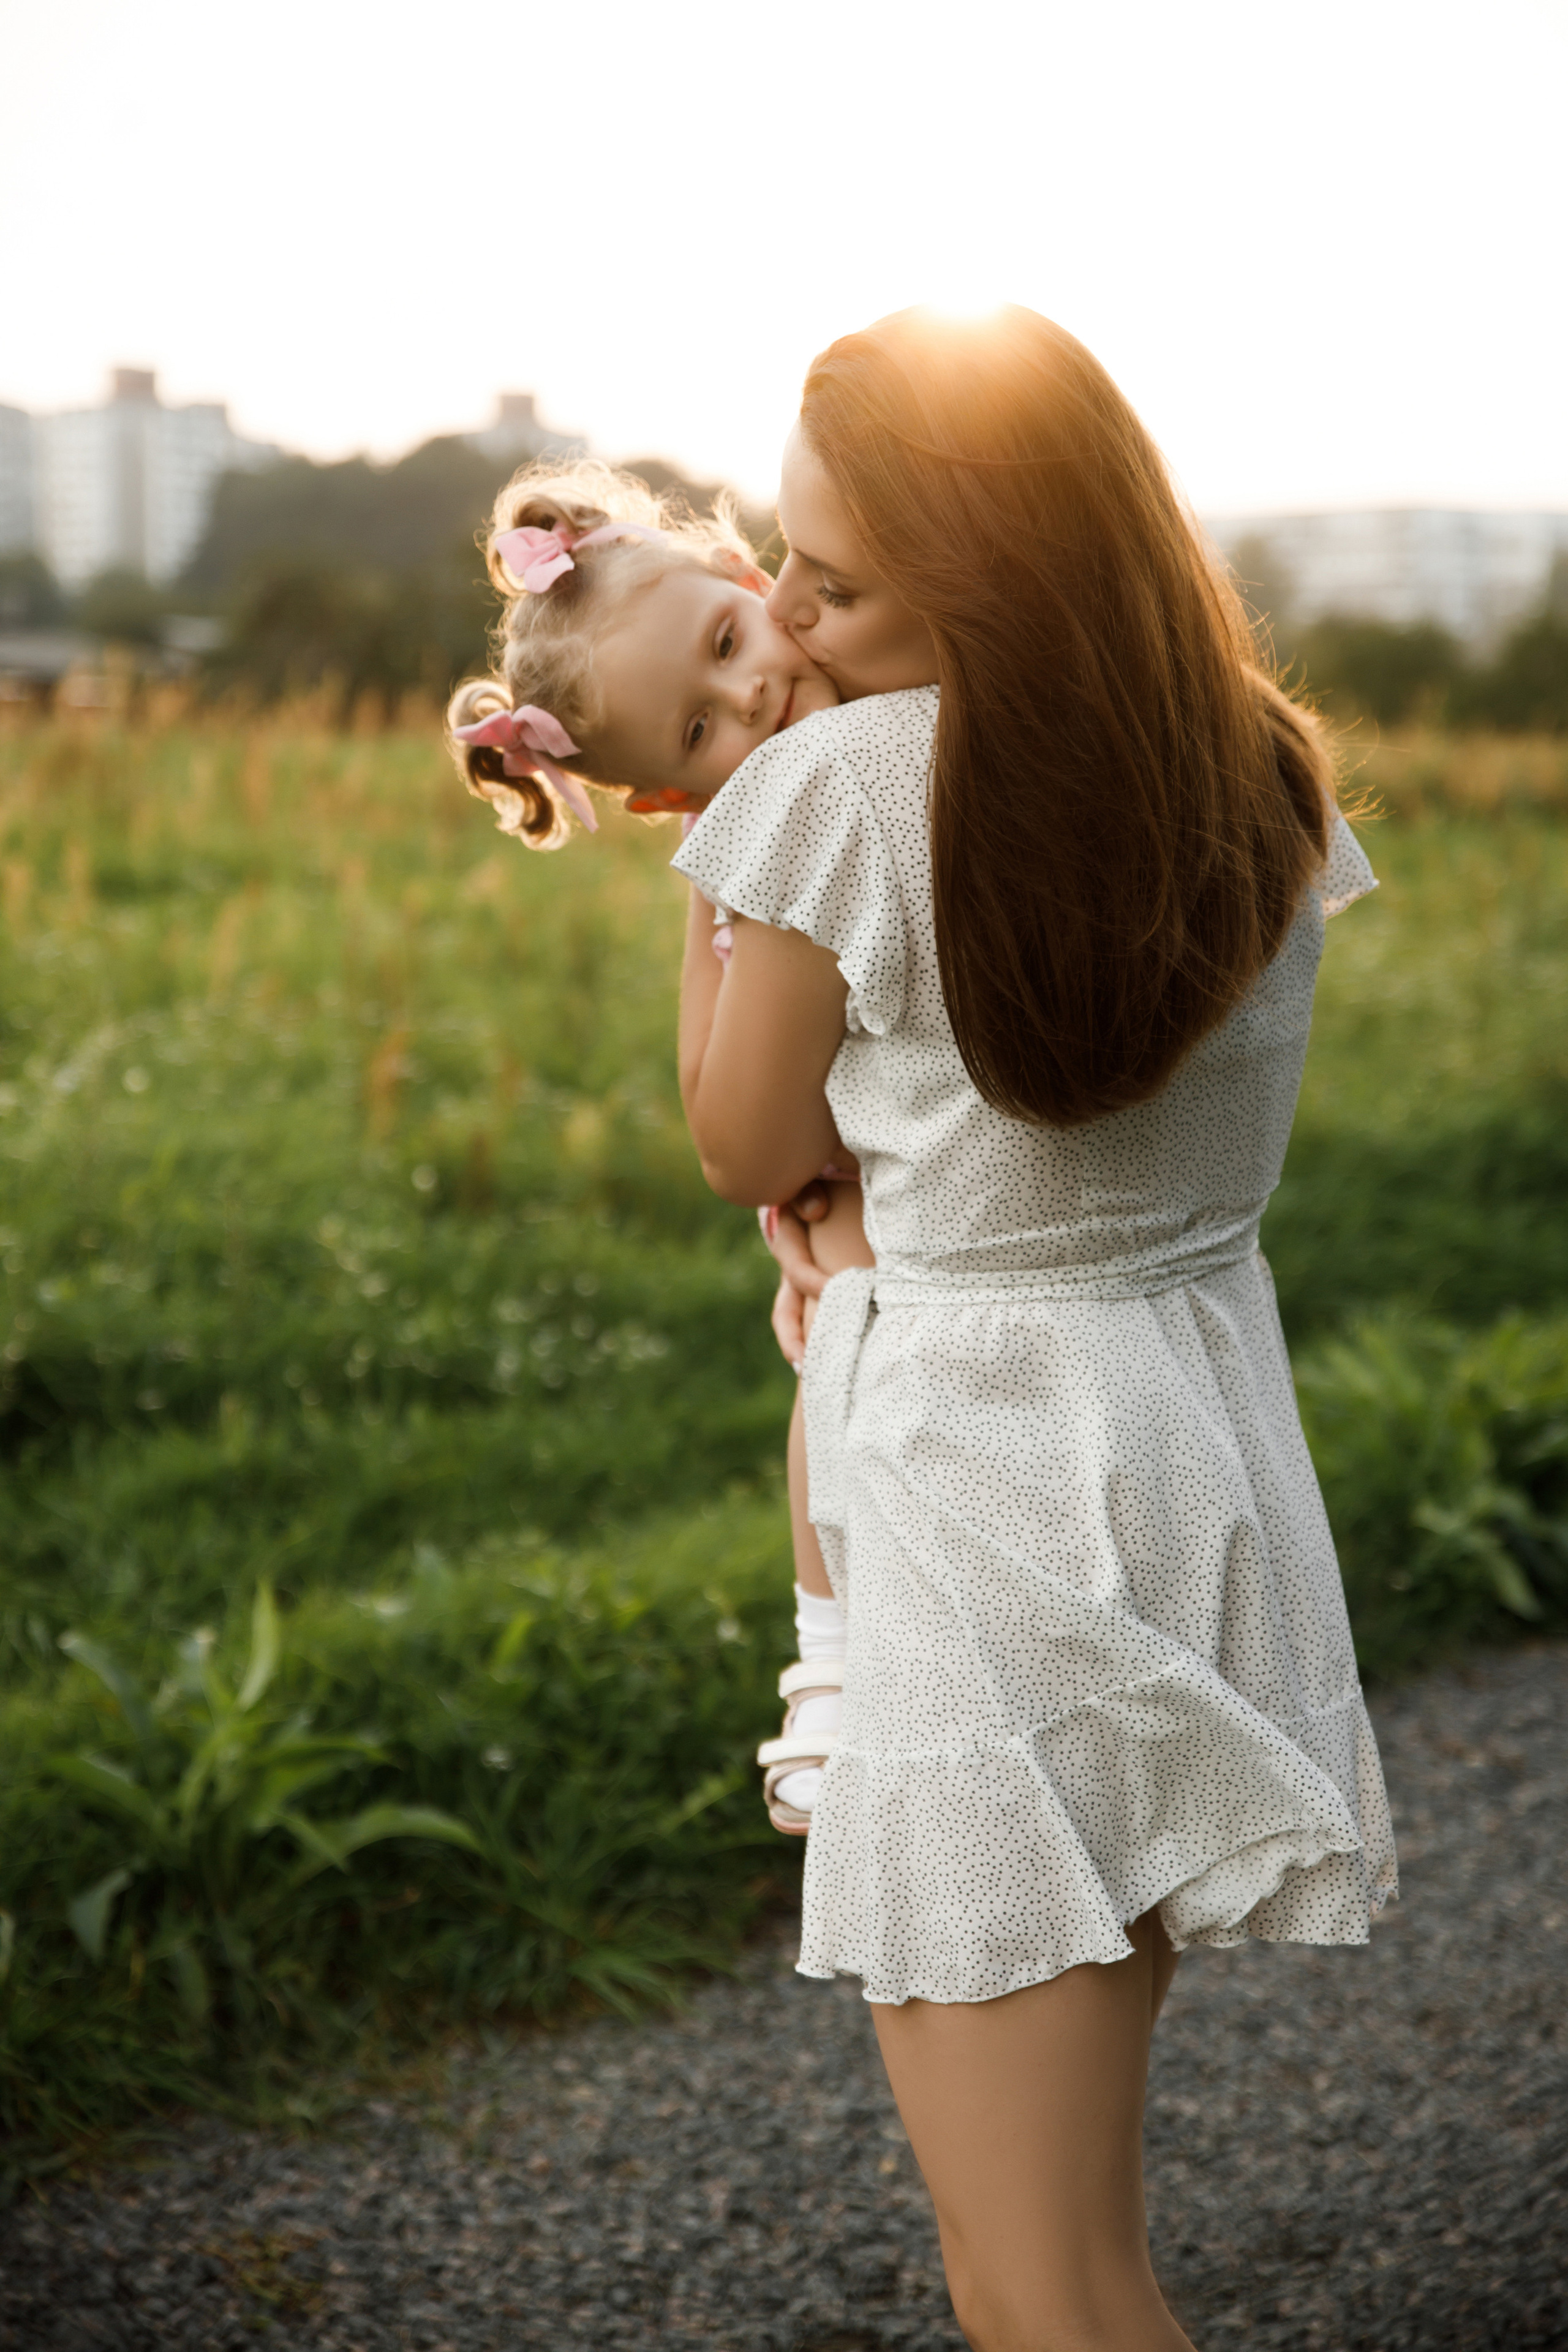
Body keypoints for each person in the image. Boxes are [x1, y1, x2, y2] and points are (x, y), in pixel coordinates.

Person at [673, 304, 1397, 2352]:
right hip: (1192, 1437)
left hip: (989, 1483)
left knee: (1048, 2276)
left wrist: (715, 873)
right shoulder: (1252, 761)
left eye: (833, 577)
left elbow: (747, 1139)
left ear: (982, 576)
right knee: (1075, 2220)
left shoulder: (837, 789)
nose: (781, 607)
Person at [442, 457, 872, 1830]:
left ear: (751, 582)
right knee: (829, 1355)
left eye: (731, 644)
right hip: (845, 1163)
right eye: (696, 735)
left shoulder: (889, 726)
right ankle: (829, 1659)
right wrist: (713, 872)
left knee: (838, 1300)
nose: (747, 697)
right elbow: (721, 1112)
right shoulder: (746, 854)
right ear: (662, 798)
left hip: (948, 1161)